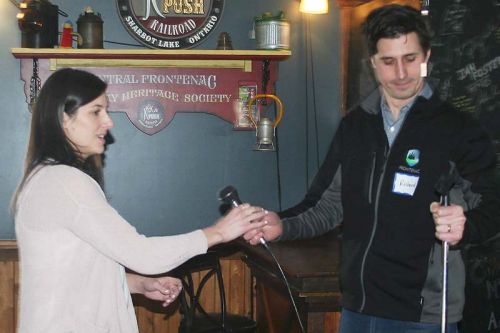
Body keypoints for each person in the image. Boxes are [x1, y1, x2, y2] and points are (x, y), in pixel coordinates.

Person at [244, 4, 500, 333]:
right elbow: (328, 204)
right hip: (358, 308)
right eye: (389, 61)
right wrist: (282, 226)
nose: (402, 73)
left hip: (422, 315)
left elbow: (493, 205)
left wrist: (465, 225)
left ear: (427, 56)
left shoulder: (457, 129)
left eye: (410, 59)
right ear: (374, 64)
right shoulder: (355, 127)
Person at [11, 68, 267, 333]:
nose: (108, 122)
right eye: (96, 111)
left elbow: (74, 272)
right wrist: (219, 232)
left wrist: (137, 284)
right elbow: (144, 254)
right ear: (64, 118)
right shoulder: (65, 181)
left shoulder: (49, 178)